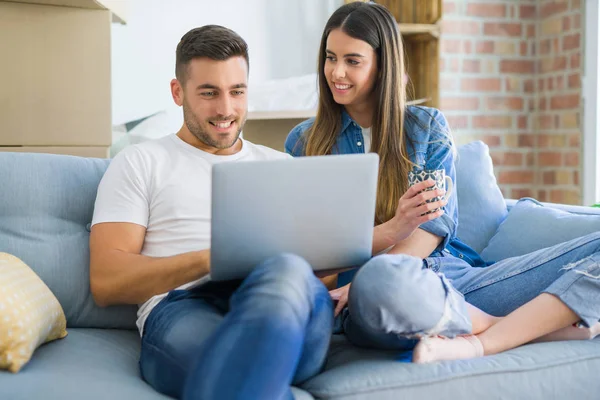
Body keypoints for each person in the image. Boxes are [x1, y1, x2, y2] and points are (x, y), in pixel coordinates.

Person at [285, 1, 600, 364]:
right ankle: (519, 328)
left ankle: (484, 338)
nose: (336, 72)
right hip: (379, 299)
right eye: (330, 57)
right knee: (382, 281)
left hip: (454, 281)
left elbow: (432, 229)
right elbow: (307, 248)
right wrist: (361, 280)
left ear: (383, 66)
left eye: (352, 61)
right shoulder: (304, 143)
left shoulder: (426, 128)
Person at [89, 25, 333, 400]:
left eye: (237, 92)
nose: (226, 109)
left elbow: (319, 274)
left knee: (286, 269)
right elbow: (106, 282)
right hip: (185, 306)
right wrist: (214, 258)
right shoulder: (141, 161)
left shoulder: (281, 165)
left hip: (285, 301)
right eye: (209, 93)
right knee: (238, 369)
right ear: (177, 92)